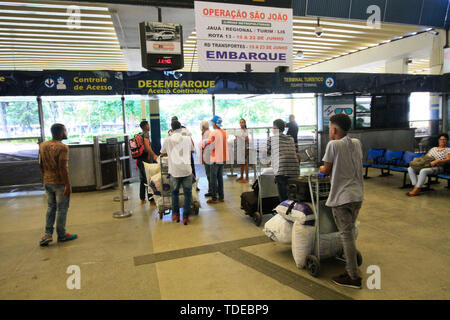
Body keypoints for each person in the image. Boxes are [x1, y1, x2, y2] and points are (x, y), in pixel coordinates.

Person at [319, 113, 364, 289]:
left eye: (330, 127)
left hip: (342, 197)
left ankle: (353, 276)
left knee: (347, 236)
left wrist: (320, 170)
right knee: (349, 234)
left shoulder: (333, 144)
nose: (330, 130)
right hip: (357, 195)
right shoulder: (356, 143)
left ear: (335, 129)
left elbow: (326, 170)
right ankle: (349, 268)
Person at [39, 123, 77, 246]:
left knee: (51, 208)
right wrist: (67, 185)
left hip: (47, 181)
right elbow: (63, 168)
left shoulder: (43, 145)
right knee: (62, 209)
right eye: (65, 130)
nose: (67, 132)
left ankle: (47, 235)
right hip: (59, 183)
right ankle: (62, 235)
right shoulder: (63, 147)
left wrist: (46, 176)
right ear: (61, 132)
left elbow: (40, 163)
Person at [160, 120, 195, 225]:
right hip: (187, 170)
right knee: (187, 193)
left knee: (174, 193)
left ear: (171, 128)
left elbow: (162, 153)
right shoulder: (187, 139)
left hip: (174, 171)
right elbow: (192, 151)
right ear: (181, 128)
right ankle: (186, 217)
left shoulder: (167, 139)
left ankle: (175, 214)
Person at [267, 119, 300, 202]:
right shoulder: (290, 138)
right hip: (295, 170)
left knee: (283, 198)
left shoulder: (272, 138)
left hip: (282, 170)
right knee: (293, 196)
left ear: (275, 128)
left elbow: (266, 153)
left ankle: (284, 211)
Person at [204, 115, 229, 204]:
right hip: (222, 158)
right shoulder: (224, 132)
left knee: (213, 178)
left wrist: (204, 145)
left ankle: (214, 198)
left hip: (215, 159)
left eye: (212, 122)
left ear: (215, 123)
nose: (212, 124)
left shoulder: (214, 133)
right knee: (220, 178)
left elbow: (210, 145)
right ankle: (221, 197)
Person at [137, 120, 158, 205]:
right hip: (145, 160)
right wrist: (154, 155)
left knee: (142, 179)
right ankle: (151, 200)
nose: (149, 126)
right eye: (148, 125)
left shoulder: (139, 134)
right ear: (146, 126)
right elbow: (147, 147)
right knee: (148, 179)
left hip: (140, 160)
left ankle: (142, 199)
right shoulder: (145, 134)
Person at [200, 120, 213, 197]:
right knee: (210, 174)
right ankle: (213, 189)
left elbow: (205, 146)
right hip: (209, 156)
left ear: (203, 126)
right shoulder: (208, 132)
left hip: (208, 157)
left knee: (209, 174)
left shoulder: (206, 133)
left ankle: (211, 190)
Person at [235, 118, 250, 183]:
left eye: (242, 122)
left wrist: (239, 137)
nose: (241, 124)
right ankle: (241, 176)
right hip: (240, 147)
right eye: (240, 122)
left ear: (245, 123)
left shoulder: (246, 130)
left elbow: (247, 139)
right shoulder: (239, 130)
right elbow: (238, 138)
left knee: (245, 163)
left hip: (245, 148)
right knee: (241, 163)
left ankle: (247, 178)